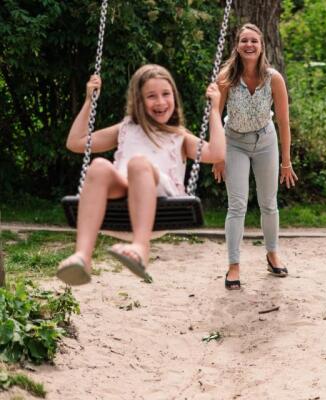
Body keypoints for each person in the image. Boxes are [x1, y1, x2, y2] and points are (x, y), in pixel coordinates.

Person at [56, 64, 226, 285]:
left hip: (160, 198)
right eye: (151, 96)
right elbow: (76, 143)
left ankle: (141, 247)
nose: (161, 102)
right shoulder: (126, 128)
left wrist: (214, 110)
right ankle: (83, 256)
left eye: (166, 94)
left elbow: (217, 153)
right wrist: (89, 101)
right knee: (98, 165)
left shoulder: (179, 136)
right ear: (138, 101)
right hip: (124, 190)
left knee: (138, 164)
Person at [210, 23, 297, 290]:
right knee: (237, 206)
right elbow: (215, 116)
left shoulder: (274, 79)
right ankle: (234, 266)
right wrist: (217, 155)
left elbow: (283, 121)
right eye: (244, 41)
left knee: (269, 203)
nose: (249, 45)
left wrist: (286, 161)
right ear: (237, 45)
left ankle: (272, 253)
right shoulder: (226, 77)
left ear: (261, 47)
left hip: (266, 141)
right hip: (234, 142)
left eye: (254, 41)